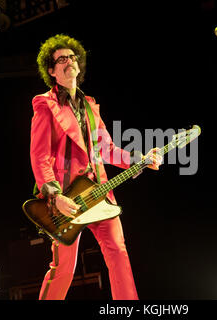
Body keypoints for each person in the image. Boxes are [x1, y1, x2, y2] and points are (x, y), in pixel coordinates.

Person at [30, 34, 162, 300]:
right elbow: (40, 155)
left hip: (99, 192)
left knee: (118, 252)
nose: (70, 62)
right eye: (62, 59)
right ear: (52, 70)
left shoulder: (90, 105)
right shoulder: (45, 104)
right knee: (64, 267)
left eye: (73, 57)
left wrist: (141, 159)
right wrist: (56, 197)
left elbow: (107, 150)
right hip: (67, 196)